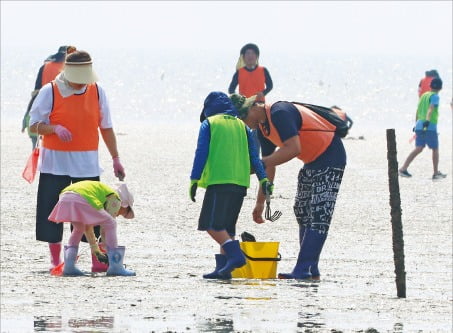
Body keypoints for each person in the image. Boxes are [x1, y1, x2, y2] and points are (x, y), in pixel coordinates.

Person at [29, 50, 127, 273]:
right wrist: (54, 128)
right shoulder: (50, 91)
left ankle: (97, 258)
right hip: (55, 162)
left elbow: (107, 127)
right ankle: (56, 261)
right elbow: (33, 125)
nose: (81, 84)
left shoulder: (98, 91)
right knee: (51, 212)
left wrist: (116, 159)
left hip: (87, 163)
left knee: (93, 212)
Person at [230, 93, 347, 280]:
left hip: (331, 156)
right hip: (311, 161)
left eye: (243, 117)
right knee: (302, 210)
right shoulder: (263, 127)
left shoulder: (279, 112)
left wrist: (260, 163)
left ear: (253, 108)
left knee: (319, 214)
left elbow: (293, 149)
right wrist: (261, 203)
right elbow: (269, 167)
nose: (244, 123)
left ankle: (302, 269)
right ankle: (311, 269)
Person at [190, 91, 272, 279]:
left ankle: (235, 256)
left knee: (211, 225)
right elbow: (255, 157)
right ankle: (223, 269)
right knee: (228, 228)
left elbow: (200, 152)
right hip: (241, 184)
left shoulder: (209, 124)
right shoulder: (243, 127)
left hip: (219, 181)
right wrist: (263, 179)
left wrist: (194, 179)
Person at [48, 181, 135, 276]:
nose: (119, 215)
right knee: (111, 223)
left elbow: (87, 227)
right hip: (82, 197)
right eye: (124, 212)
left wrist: (96, 249)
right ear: (124, 204)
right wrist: (106, 250)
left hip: (66, 196)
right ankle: (116, 266)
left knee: (79, 228)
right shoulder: (115, 198)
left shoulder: (101, 194)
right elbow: (105, 228)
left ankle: (69, 266)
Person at [22, 46, 77, 150]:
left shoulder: (45, 67)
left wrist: (26, 114)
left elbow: (36, 92)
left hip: (41, 106)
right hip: (58, 111)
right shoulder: (68, 68)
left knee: (37, 144)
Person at [228, 43, 273, 154]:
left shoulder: (263, 70)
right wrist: (239, 100)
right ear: (243, 57)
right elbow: (231, 89)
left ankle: (259, 162)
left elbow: (270, 85)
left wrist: (263, 92)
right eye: (247, 53)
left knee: (259, 137)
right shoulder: (240, 72)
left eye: (253, 53)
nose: (250, 56)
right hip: (244, 109)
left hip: (259, 107)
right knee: (245, 137)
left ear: (257, 56)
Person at [399, 78, 447, 180]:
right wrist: (427, 121)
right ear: (441, 88)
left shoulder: (424, 95)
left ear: (430, 86)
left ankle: (403, 168)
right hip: (429, 126)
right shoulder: (435, 96)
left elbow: (417, 110)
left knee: (419, 148)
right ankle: (435, 173)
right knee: (435, 149)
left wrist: (416, 123)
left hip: (419, 125)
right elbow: (430, 109)